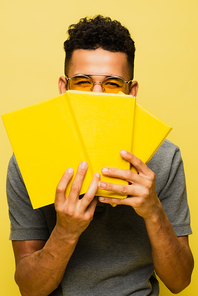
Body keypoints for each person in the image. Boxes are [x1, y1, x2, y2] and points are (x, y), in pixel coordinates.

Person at [7, 15, 194, 296]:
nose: (97, 96)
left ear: (131, 92)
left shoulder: (165, 159)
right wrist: (66, 231)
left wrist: (153, 212)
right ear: (63, 88)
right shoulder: (27, 159)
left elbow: (180, 282)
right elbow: (30, 289)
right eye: (83, 82)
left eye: (111, 84)